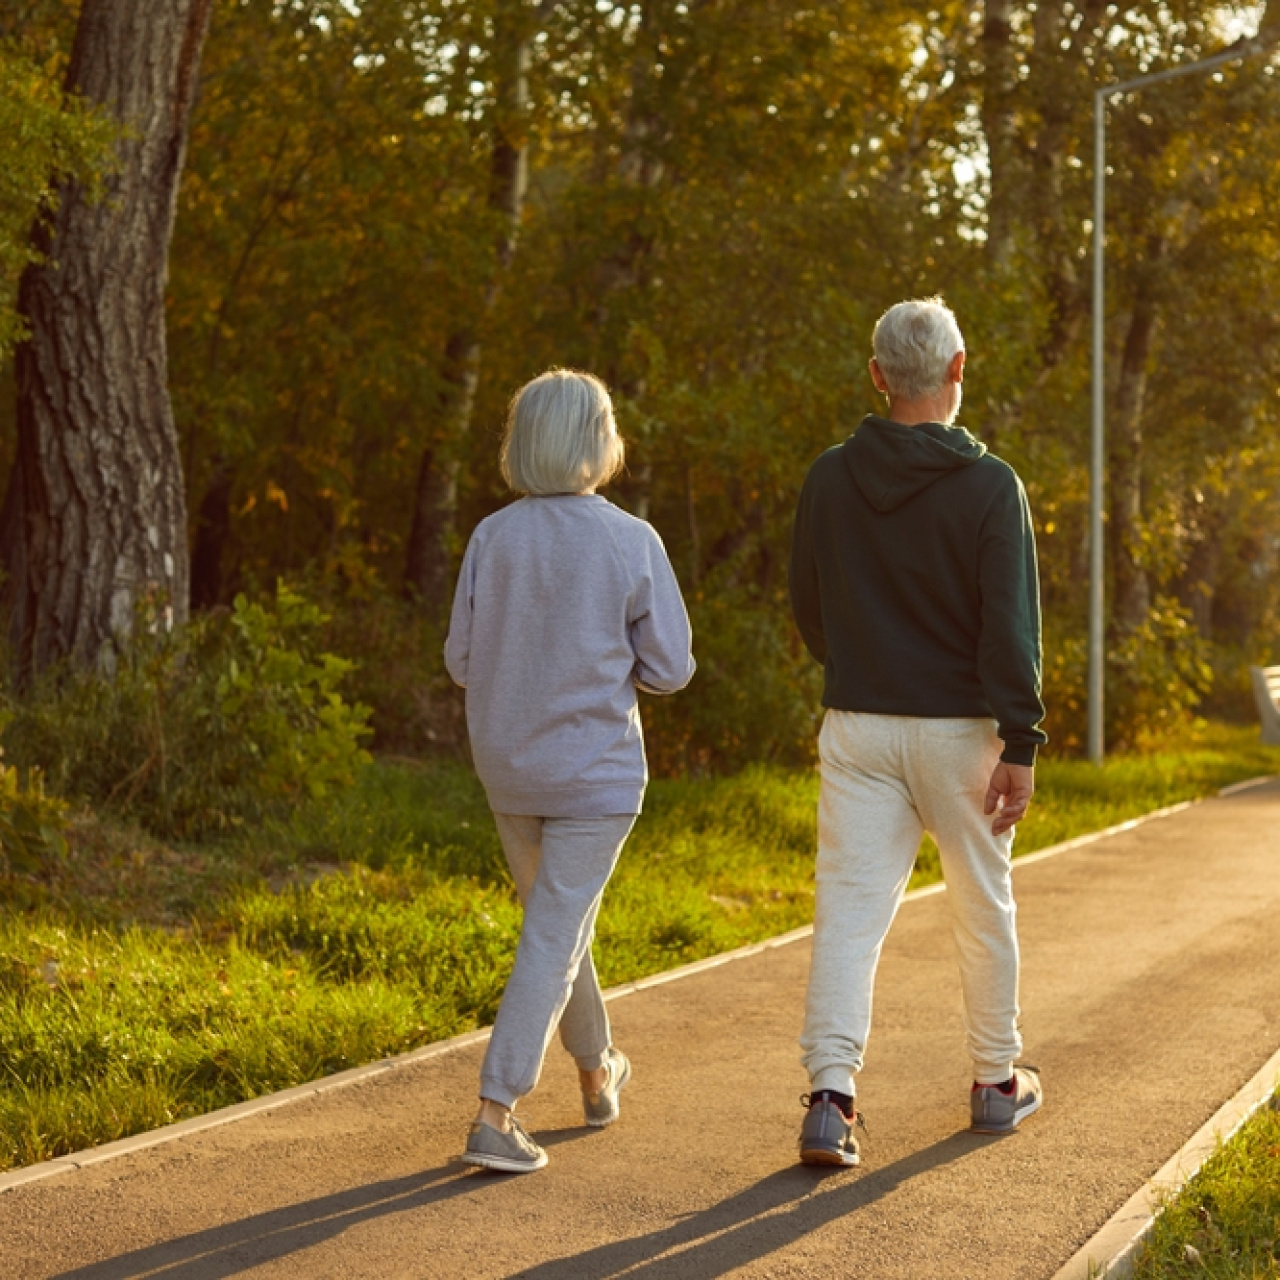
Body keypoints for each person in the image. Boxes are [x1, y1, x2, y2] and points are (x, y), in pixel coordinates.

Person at [788, 297, 1047, 1167]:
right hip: (960, 731)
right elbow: (1010, 628)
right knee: (982, 905)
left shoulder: (829, 477)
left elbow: (808, 608)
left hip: (858, 725)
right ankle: (994, 1082)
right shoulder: (990, 485)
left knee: (848, 913)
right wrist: (1022, 741)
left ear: (877, 376)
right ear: (958, 368)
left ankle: (830, 1102)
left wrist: (862, 665)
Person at [445, 367, 695, 1174]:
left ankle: (596, 1073)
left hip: (509, 770)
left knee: (559, 926)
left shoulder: (492, 537)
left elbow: (459, 659)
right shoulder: (632, 540)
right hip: (594, 775)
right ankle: (495, 1111)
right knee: (554, 931)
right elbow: (672, 667)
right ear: (598, 442)